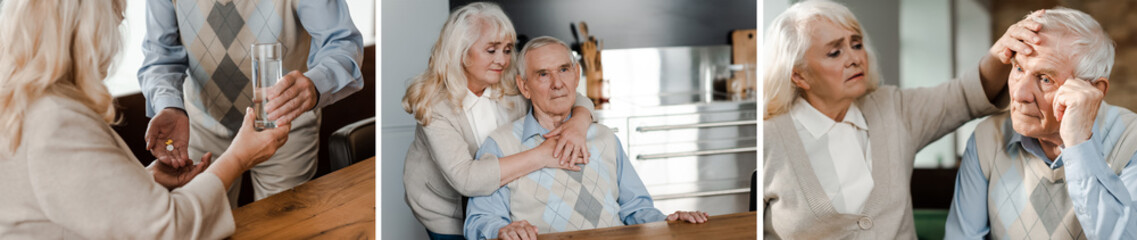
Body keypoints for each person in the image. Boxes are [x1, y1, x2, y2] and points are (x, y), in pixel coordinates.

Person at [0, 0, 290, 238]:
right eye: (117, 20)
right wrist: (238, 158)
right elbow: (169, 229)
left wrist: (144, 181)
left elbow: (76, 196)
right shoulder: (54, 122)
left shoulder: (30, 103)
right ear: (89, 32)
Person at [762, 0, 1037, 238]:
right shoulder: (768, 140)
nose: (855, 58)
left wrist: (1004, 49)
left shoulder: (893, 109)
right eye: (835, 52)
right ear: (798, 75)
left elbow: (966, 95)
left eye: (856, 44)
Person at [463, 36, 709, 240]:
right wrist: (501, 230)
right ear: (524, 86)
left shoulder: (604, 138)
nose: (558, 83)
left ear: (576, 74)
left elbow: (637, 209)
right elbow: (480, 221)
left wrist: (668, 221)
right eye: (543, 75)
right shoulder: (500, 145)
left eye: (563, 69)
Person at [137, 0, 364, 206]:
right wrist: (170, 106)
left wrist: (314, 86)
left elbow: (342, 42)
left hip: (285, 126)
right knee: (203, 227)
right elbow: (160, 55)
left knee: (283, 229)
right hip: (198, 128)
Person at [401, 2, 597, 239]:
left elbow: (570, 96)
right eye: (491, 50)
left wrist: (579, 121)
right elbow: (467, 179)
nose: (503, 60)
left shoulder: (512, 85)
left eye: (506, 50)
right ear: (461, 52)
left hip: (504, 204)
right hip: (448, 212)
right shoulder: (435, 105)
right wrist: (544, 154)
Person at [945, 8, 1137, 240]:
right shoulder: (987, 138)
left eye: (1045, 79)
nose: (1019, 94)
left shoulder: (1131, 139)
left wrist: (1078, 145)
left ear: (1094, 91)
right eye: (1018, 68)